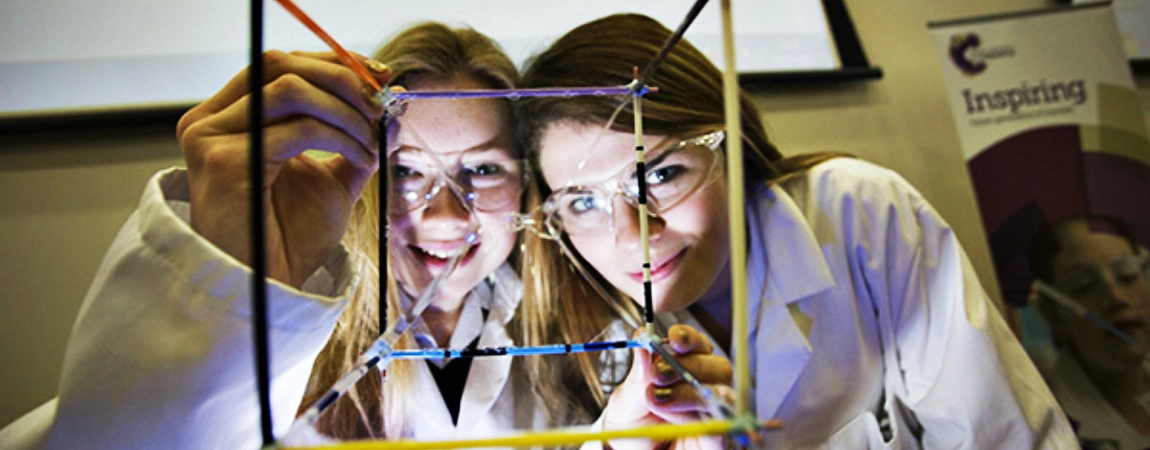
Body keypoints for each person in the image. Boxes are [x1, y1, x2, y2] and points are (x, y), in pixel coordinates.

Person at [515, 13, 1078, 449]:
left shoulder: (857, 211)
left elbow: (1003, 434)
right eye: (584, 202)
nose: (634, 235)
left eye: (661, 174)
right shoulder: (568, 332)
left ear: (731, 148)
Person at [0, 22, 558, 449]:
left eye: (483, 170)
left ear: (528, 181)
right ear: (364, 175)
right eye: (407, 170)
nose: (445, 215)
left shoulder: (571, 328)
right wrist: (230, 293)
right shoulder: (291, 351)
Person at [1027, 215, 1150, 450]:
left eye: (1127, 274)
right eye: (1083, 285)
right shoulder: (1044, 430)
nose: (1115, 297)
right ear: (1053, 314)